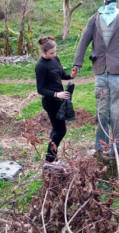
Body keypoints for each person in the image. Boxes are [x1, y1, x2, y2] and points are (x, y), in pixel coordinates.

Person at [72, 0, 119, 159]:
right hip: (100, 69)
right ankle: (101, 146)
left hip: (117, 70)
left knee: (117, 109)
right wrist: (77, 63)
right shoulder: (95, 18)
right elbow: (84, 41)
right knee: (102, 109)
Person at [34, 36, 76, 171]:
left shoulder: (55, 59)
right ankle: (49, 161)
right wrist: (56, 94)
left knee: (56, 130)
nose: (54, 55)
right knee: (60, 130)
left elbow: (61, 74)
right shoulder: (40, 67)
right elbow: (40, 89)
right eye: (51, 53)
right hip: (50, 101)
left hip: (59, 100)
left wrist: (71, 76)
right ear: (43, 52)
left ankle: (52, 159)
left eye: (55, 52)